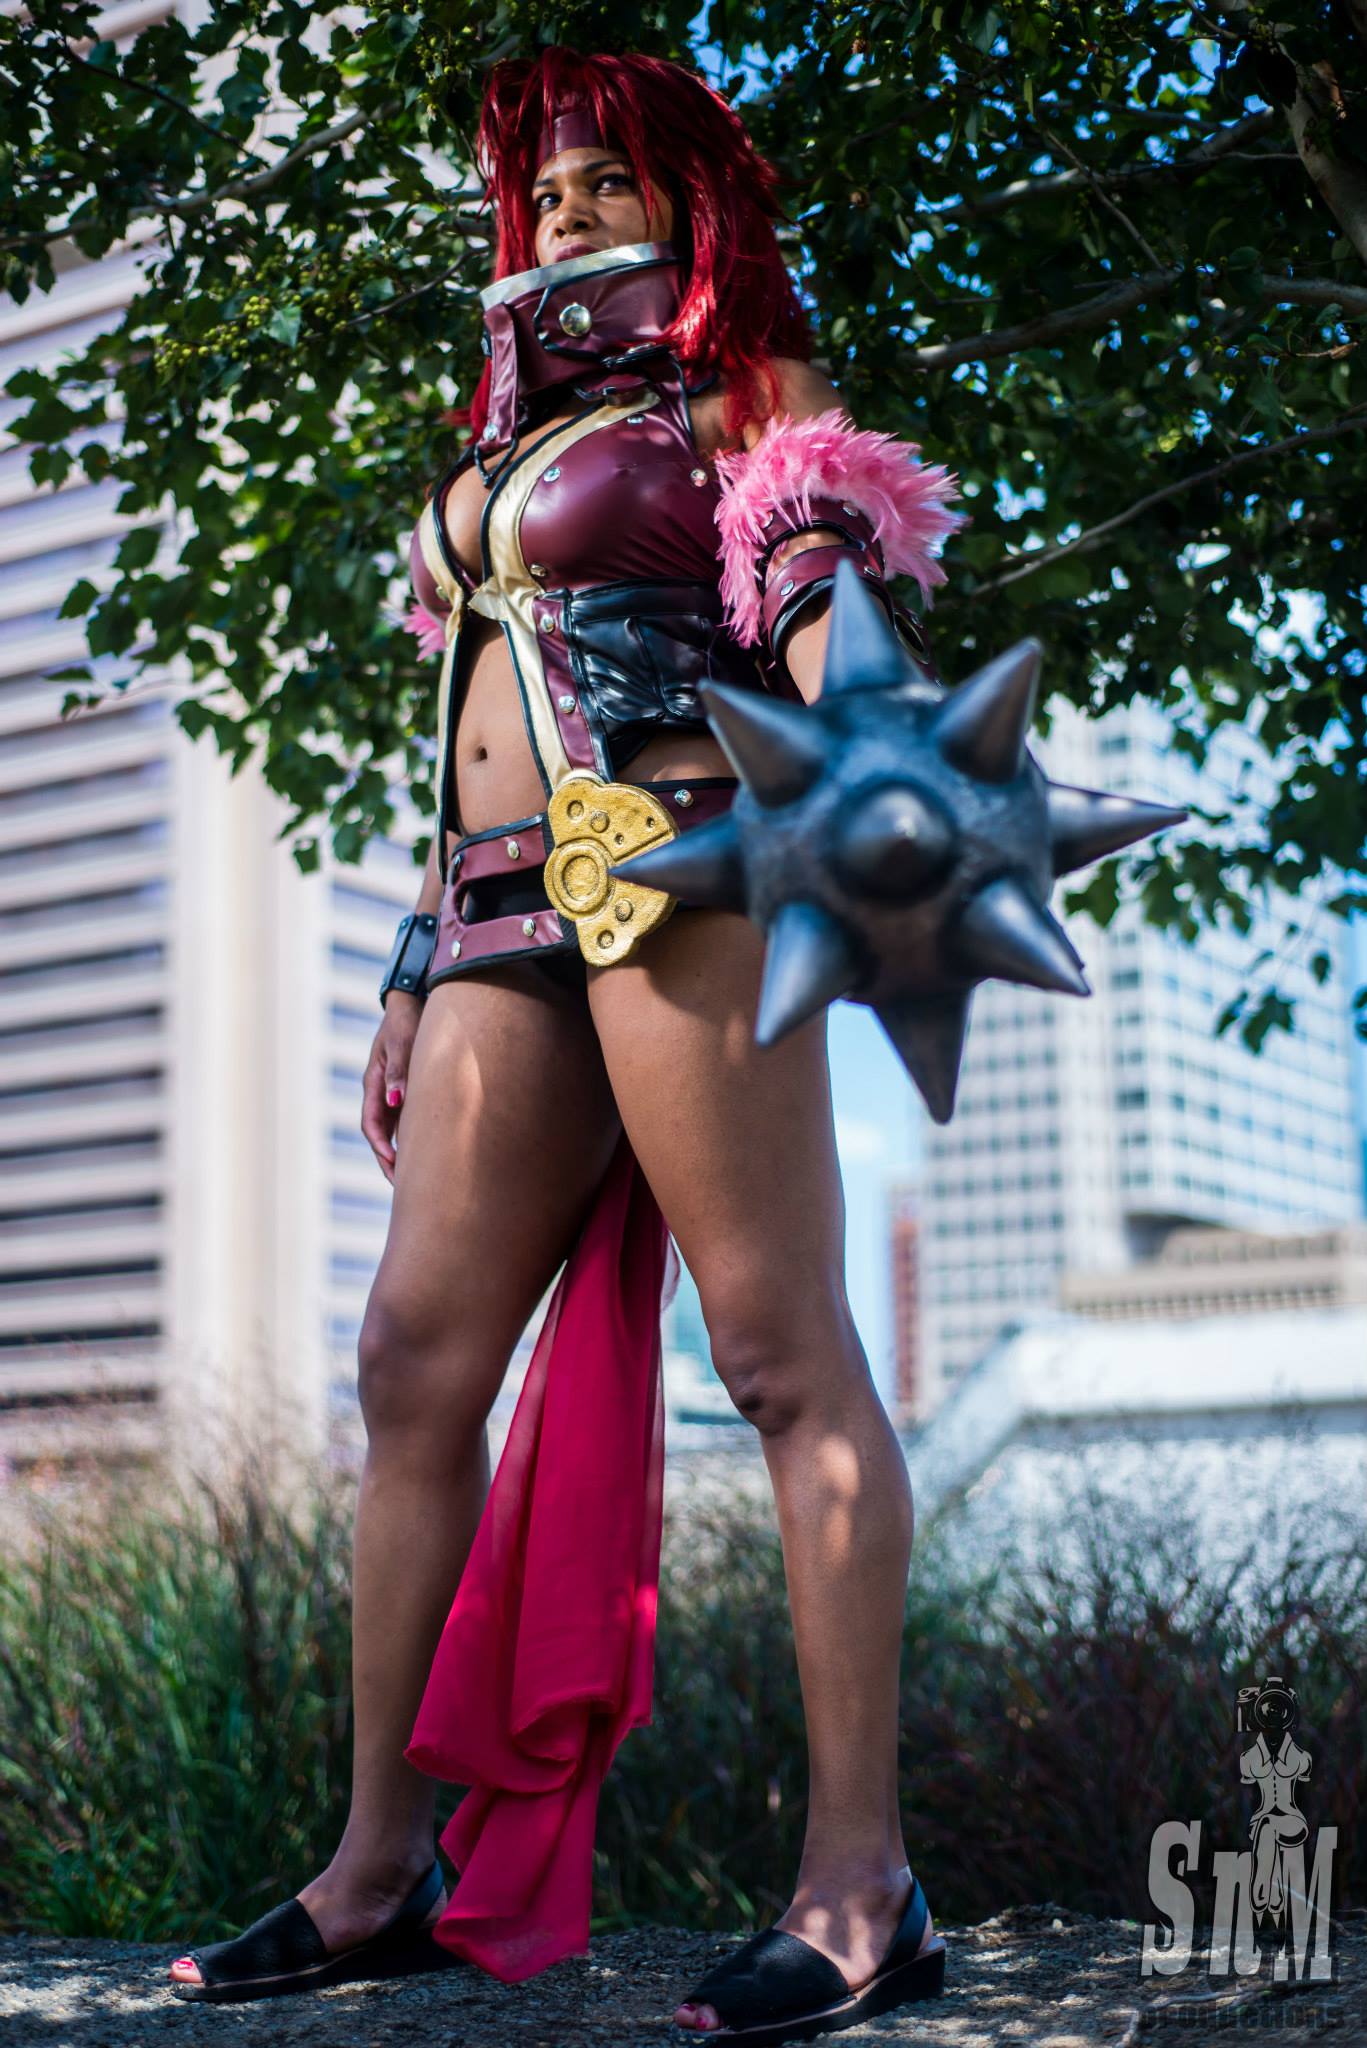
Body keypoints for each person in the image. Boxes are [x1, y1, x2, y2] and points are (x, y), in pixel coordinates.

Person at [166, 45, 960, 2042]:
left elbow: (806, 575)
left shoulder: (736, 389)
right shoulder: (515, 428)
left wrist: (860, 702)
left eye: (612, 179)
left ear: (690, 201)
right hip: (494, 914)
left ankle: (864, 1881)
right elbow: (474, 720)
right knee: (410, 1359)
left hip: (681, 861)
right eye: (550, 187)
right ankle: (376, 1871)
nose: (573, 209)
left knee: (780, 1355)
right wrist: (410, 965)